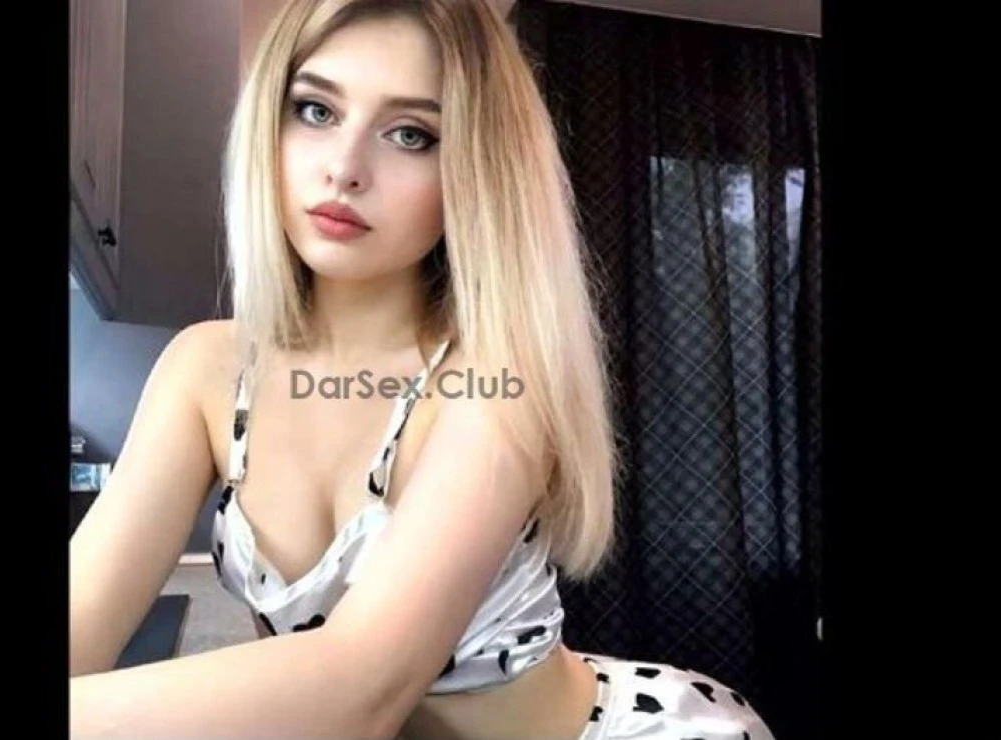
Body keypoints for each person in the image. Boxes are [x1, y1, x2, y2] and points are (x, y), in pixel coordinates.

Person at [68, 0, 776, 738]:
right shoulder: (205, 370)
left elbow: (360, 689)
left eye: (411, 134)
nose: (344, 169)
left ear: (476, 170)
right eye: (315, 110)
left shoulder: (498, 377)